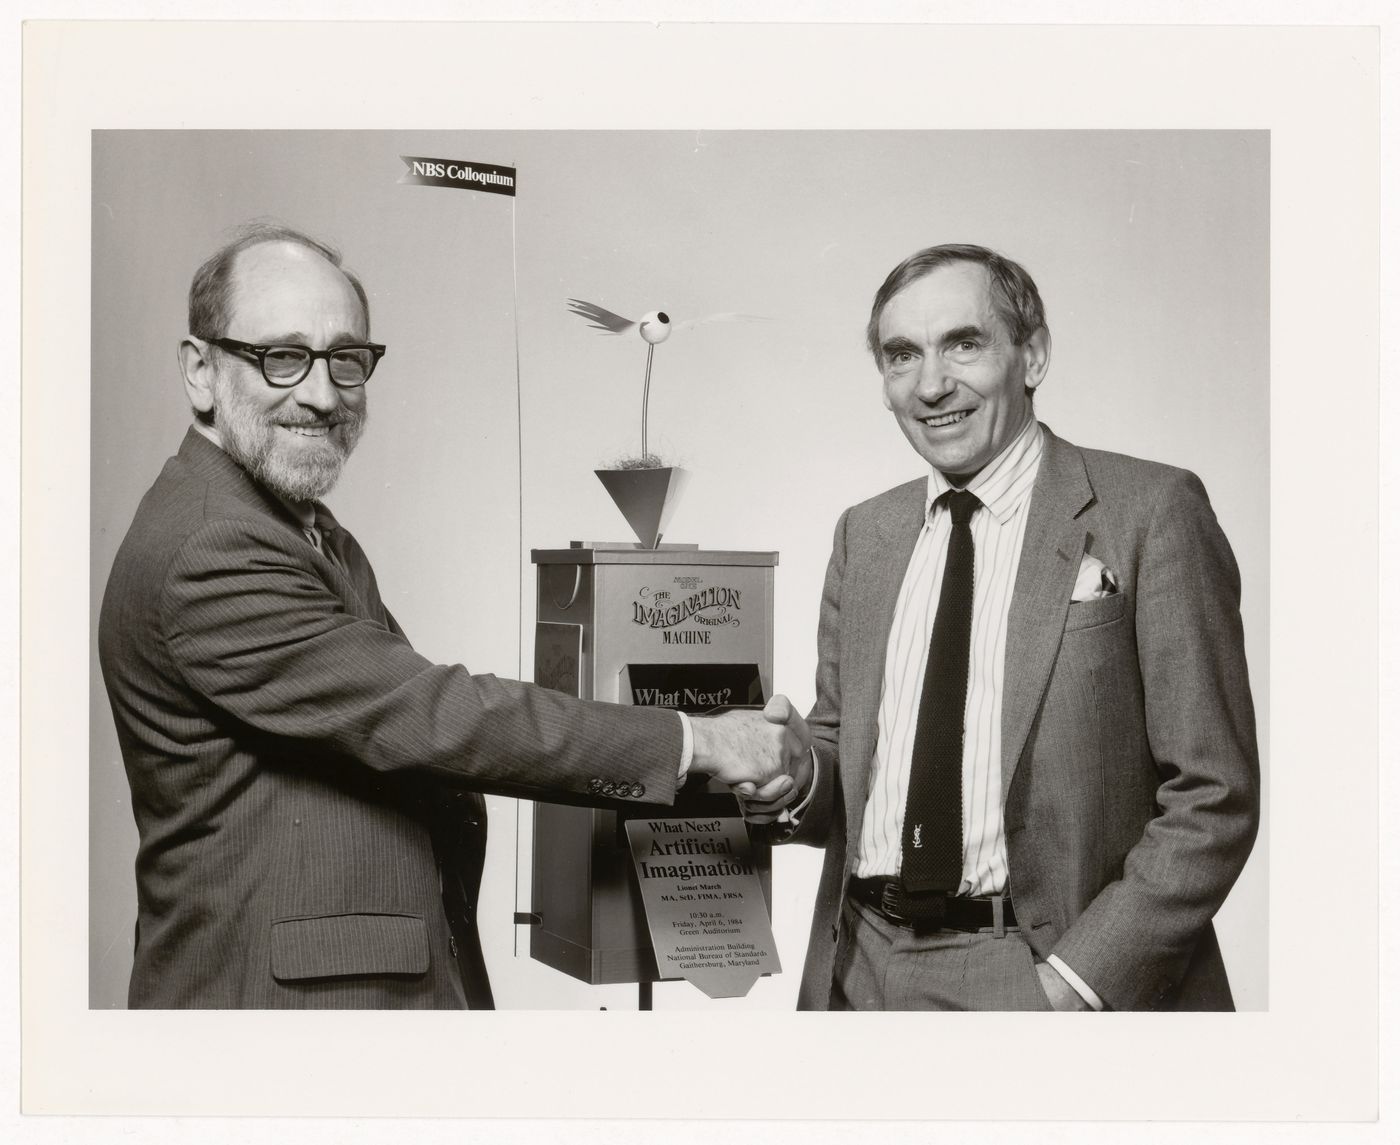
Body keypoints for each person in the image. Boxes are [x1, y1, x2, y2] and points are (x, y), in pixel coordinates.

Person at [98, 223, 803, 1009]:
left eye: (347, 359)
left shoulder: (297, 523)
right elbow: (435, 715)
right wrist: (701, 738)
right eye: (282, 356)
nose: (323, 394)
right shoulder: (213, 545)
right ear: (200, 370)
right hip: (281, 1016)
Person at [757, 243, 1259, 1011]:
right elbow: (845, 762)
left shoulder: (1152, 511)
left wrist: (1073, 987)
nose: (932, 385)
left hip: (1039, 967)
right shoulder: (867, 533)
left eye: (964, 343)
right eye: (902, 356)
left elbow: (1214, 795)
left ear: (1032, 354)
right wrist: (798, 772)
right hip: (855, 966)